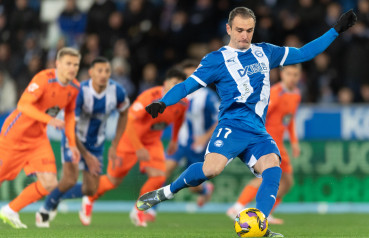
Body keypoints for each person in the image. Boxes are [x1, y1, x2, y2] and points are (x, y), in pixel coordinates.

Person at [137, 6, 356, 237]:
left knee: (273, 169)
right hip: (232, 126)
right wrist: (164, 101)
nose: (244, 36)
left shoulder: (265, 52)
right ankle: (166, 192)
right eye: (240, 30)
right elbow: (186, 85)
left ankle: (260, 225)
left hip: (258, 132)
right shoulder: (216, 60)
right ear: (229, 29)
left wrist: (335, 30)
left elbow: (303, 53)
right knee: (211, 170)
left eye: (249, 30)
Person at [79, 68, 188, 227]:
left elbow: (180, 118)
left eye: (181, 85)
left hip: (152, 142)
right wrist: (137, 147)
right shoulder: (149, 97)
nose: (177, 87)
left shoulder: (183, 102)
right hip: (130, 140)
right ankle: (89, 198)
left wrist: (174, 139)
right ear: (165, 83)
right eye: (174, 83)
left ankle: (139, 209)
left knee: (159, 176)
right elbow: (129, 122)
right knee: (112, 181)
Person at [35, 57, 130, 228]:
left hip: (96, 143)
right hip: (73, 137)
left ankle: (57, 195)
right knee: (69, 179)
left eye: (107, 71)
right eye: (99, 71)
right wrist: (86, 156)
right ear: (91, 73)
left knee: (90, 189)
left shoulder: (117, 91)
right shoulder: (80, 92)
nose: (103, 75)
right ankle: (46, 208)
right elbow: (72, 126)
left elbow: (124, 113)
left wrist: (115, 144)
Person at [0, 47, 81, 229]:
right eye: (68, 63)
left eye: (76, 64)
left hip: (37, 139)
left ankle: (10, 210)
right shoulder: (44, 79)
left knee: (50, 183)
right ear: (58, 64)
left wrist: (72, 144)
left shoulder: (75, 87)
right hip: (15, 136)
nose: (72, 68)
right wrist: (50, 120)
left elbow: (69, 117)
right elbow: (23, 105)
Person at [227, 64, 302, 225]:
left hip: (279, 144)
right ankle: (237, 207)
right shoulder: (275, 93)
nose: (292, 77)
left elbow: (289, 119)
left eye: (295, 74)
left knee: (287, 182)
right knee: (268, 177)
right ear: (282, 74)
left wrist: (294, 142)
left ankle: (265, 213)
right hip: (267, 142)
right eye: (289, 73)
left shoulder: (296, 94)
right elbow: (259, 114)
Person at [145, 60, 219, 222]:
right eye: (187, 75)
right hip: (179, 143)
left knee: (194, 187)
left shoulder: (207, 95)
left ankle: (204, 189)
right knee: (163, 172)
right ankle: (152, 210)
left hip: (198, 146)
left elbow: (219, 119)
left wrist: (204, 138)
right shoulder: (177, 94)